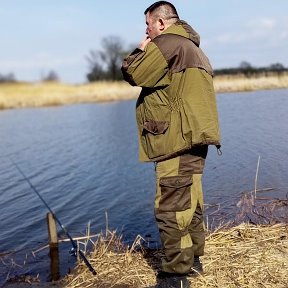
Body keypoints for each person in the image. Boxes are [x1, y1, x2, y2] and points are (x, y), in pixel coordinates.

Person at [121, 1, 221, 287]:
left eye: (148, 24)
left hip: (176, 140)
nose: (147, 30)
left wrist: (140, 49)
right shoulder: (194, 48)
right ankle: (194, 260)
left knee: (171, 207)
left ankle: (176, 275)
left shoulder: (167, 43)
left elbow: (134, 73)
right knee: (190, 204)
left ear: (161, 23)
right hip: (194, 138)